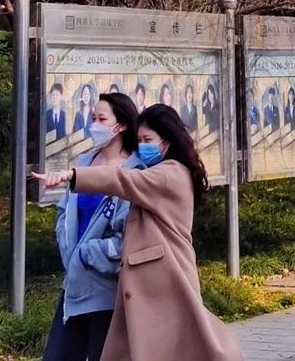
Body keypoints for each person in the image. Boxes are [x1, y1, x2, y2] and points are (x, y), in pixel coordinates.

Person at [35, 104, 242, 361]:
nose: (142, 146)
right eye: (140, 140)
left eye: (148, 140)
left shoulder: (169, 174)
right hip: (150, 285)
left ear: (166, 142)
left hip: (165, 283)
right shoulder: (166, 172)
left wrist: (71, 175)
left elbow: (123, 180)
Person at [39, 92, 141, 361]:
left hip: (107, 292)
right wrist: (68, 250)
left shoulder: (134, 173)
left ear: (121, 126)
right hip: (73, 286)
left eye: (101, 118)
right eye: (93, 117)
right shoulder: (84, 163)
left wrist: (88, 255)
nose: (94, 124)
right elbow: (64, 212)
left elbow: (129, 237)